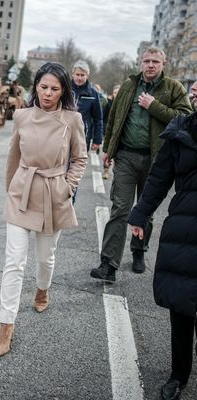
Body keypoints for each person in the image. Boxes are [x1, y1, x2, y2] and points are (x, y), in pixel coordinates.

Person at [0, 62, 88, 357]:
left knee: (45, 259)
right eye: (43, 87)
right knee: (14, 262)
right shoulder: (21, 115)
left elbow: (80, 158)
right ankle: (6, 325)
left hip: (53, 193)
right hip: (22, 194)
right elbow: (13, 155)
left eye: (54, 88)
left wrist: (67, 187)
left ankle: (42, 289)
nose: (47, 93)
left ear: (63, 91)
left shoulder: (72, 119)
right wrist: (11, 189)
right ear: (35, 87)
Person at [90, 47, 192, 282]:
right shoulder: (129, 85)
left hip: (157, 160)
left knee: (145, 209)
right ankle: (109, 263)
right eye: (146, 60)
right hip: (126, 155)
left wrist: (154, 105)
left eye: (155, 61)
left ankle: (138, 251)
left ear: (163, 63)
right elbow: (114, 117)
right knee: (120, 208)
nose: (150, 65)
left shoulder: (173, 88)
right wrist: (109, 148)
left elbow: (185, 119)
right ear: (140, 62)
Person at [128, 105, 197, 400]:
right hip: (183, 226)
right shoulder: (182, 129)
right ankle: (178, 375)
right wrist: (140, 213)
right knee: (181, 305)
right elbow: (159, 177)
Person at [71, 60, 103, 152]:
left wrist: (97, 140)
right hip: (63, 134)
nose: (79, 78)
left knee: (78, 164)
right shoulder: (65, 90)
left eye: (82, 75)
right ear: (73, 74)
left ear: (87, 76)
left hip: (83, 136)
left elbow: (98, 119)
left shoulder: (93, 94)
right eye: (77, 74)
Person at [102, 84, 121, 180]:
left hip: (119, 134)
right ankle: (106, 170)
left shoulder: (124, 105)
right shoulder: (108, 104)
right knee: (107, 152)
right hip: (108, 132)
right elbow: (103, 117)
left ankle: (118, 172)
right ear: (112, 94)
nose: (116, 94)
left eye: (118, 92)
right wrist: (105, 128)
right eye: (115, 92)